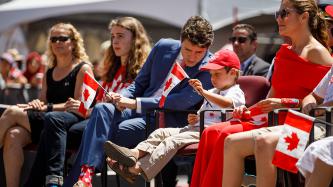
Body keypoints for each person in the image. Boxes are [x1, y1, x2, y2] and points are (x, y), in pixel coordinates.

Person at [63, 15, 214, 187]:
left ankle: (82, 177)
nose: (192, 57)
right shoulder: (163, 47)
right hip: (136, 111)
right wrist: (121, 97)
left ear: (207, 48)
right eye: (187, 50)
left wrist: (134, 103)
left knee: (97, 130)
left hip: (164, 120)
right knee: (103, 109)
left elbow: (180, 102)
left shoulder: (209, 67)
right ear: (181, 39)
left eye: (199, 52)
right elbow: (139, 84)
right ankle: (87, 175)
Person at [25, 17, 151, 187]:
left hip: (117, 126)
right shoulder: (111, 70)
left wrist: (88, 110)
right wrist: (85, 108)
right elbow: (98, 106)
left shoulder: (142, 72)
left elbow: (126, 108)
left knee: (53, 128)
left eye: (120, 36)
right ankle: (53, 182)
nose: (115, 41)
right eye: (113, 36)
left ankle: (58, 182)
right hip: (96, 122)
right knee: (51, 128)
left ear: (135, 39)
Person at [220, 1, 333, 187]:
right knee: (231, 141)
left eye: (284, 13)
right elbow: (313, 96)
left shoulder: (318, 53)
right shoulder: (286, 51)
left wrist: (290, 104)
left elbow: (321, 106)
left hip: (316, 125)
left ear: (304, 17)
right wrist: (250, 111)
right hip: (296, 120)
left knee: (264, 141)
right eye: (278, 13)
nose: (278, 18)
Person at [103, 49, 245, 183]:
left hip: (210, 133)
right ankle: (133, 154)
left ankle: (136, 169)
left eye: (217, 74)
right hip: (195, 128)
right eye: (211, 74)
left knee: (171, 141)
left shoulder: (235, 91)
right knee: (160, 133)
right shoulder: (213, 91)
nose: (212, 78)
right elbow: (203, 113)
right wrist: (194, 117)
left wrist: (204, 93)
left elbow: (227, 104)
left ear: (232, 72)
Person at [0, 22, 93, 187]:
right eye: (53, 39)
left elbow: (79, 106)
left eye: (62, 38)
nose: (57, 42)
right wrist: (38, 103)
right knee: (13, 135)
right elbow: (43, 100)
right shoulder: (49, 69)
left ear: (73, 42)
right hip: (45, 117)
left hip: (66, 122)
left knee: (13, 112)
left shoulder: (83, 68)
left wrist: (47, 107)